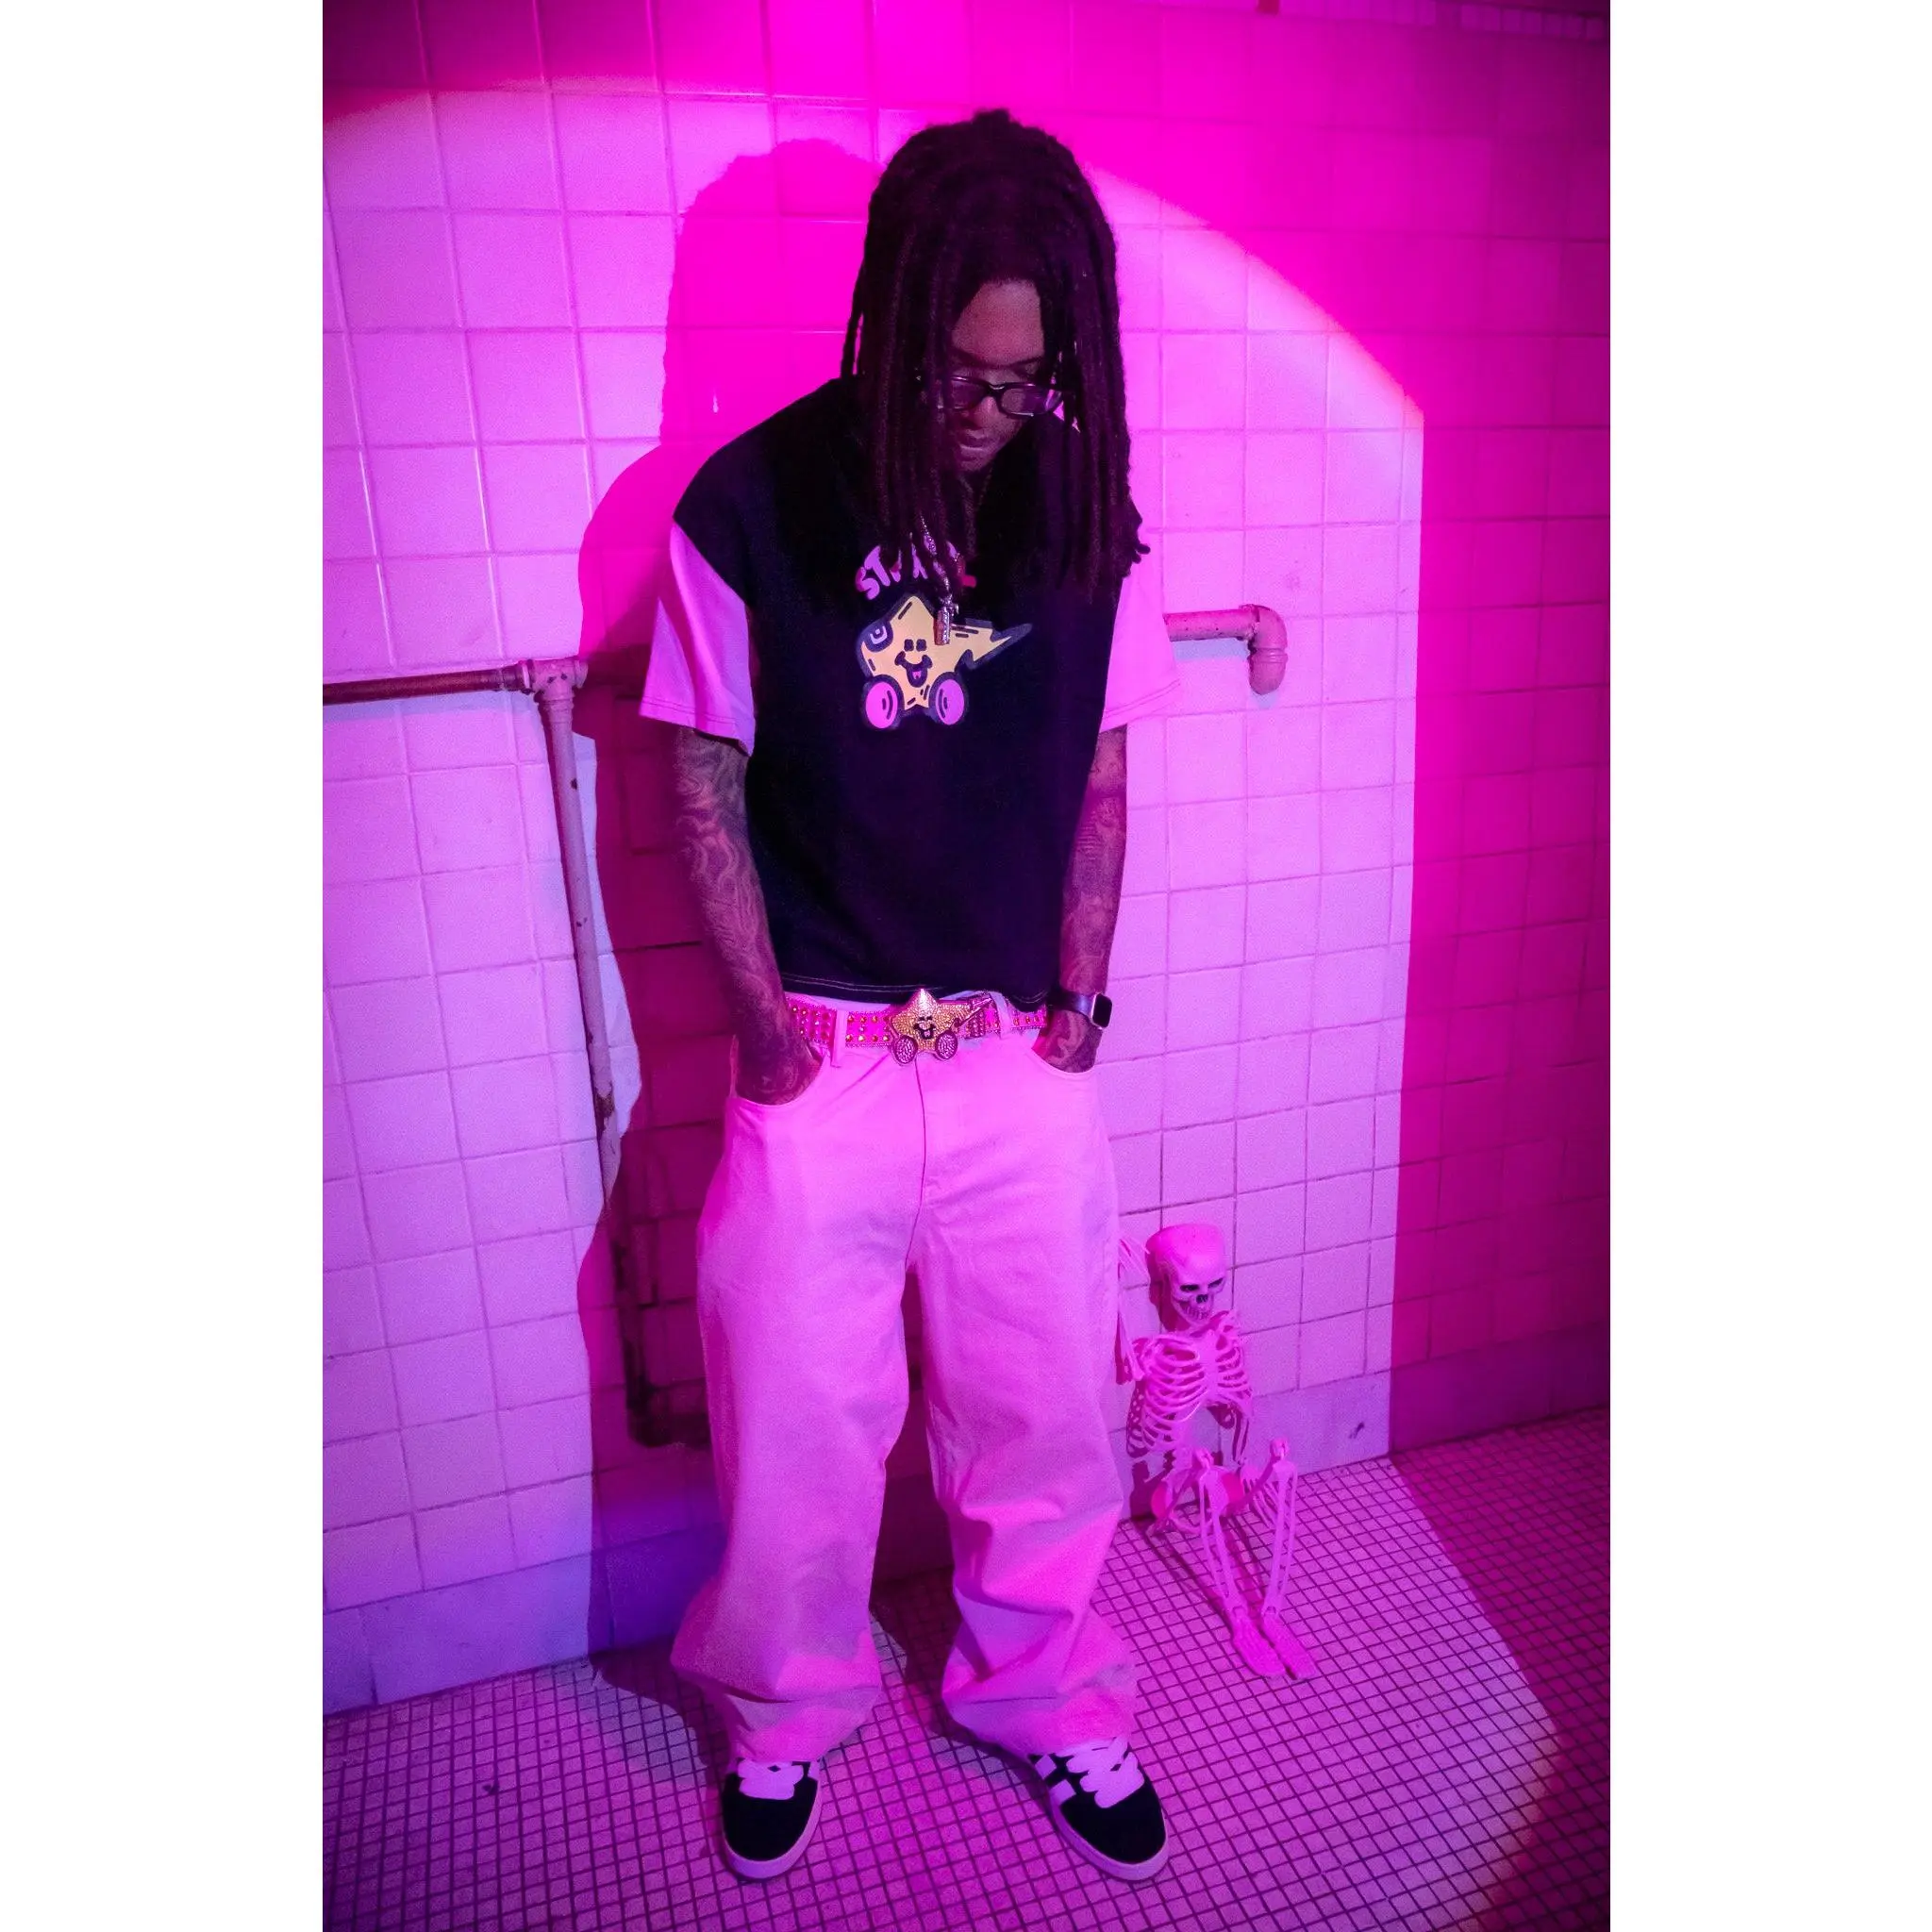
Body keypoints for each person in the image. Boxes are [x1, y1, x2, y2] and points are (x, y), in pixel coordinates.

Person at [638, 108, 1183, 1885]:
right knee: (797, 1430)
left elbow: (1104, 773)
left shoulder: (1086, 508)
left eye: (1024, 381)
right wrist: (770, 1042)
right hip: (828, 1048)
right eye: (957, 371)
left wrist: (1081, 1008)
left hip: (1018, 1046)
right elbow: (698, 774)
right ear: (885, 315)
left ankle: (1046, 1696)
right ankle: (784, 1711)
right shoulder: (750, 507)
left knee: (1048, 1415)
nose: (985, 412)